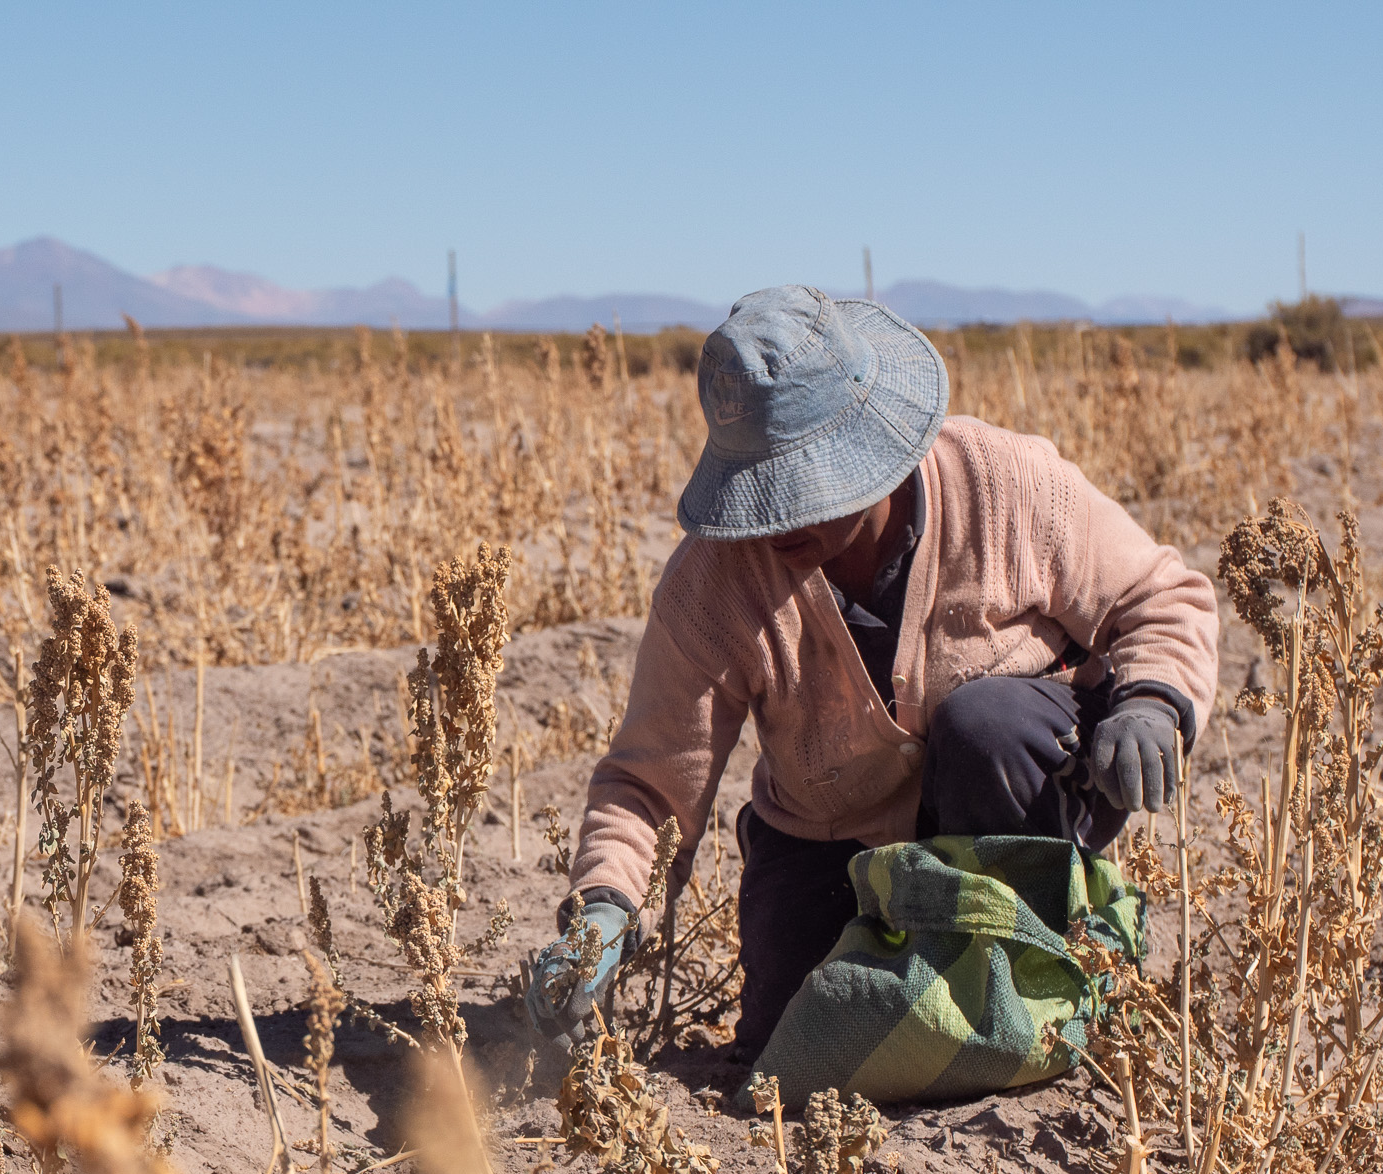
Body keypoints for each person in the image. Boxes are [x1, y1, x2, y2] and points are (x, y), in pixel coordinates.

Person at [522, 286, 1218, 1057]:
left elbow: (1161, 595)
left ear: (879, 452)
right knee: (790, 1052)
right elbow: (651, 782)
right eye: (762, 492)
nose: (779, 520)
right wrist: (605, 907)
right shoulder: (710, 588)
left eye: (802, 489)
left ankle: (1042, 968)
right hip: (833, 836)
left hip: (1014, 790)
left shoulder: (1009, 483)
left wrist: (1152, 698)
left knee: (982, 725)